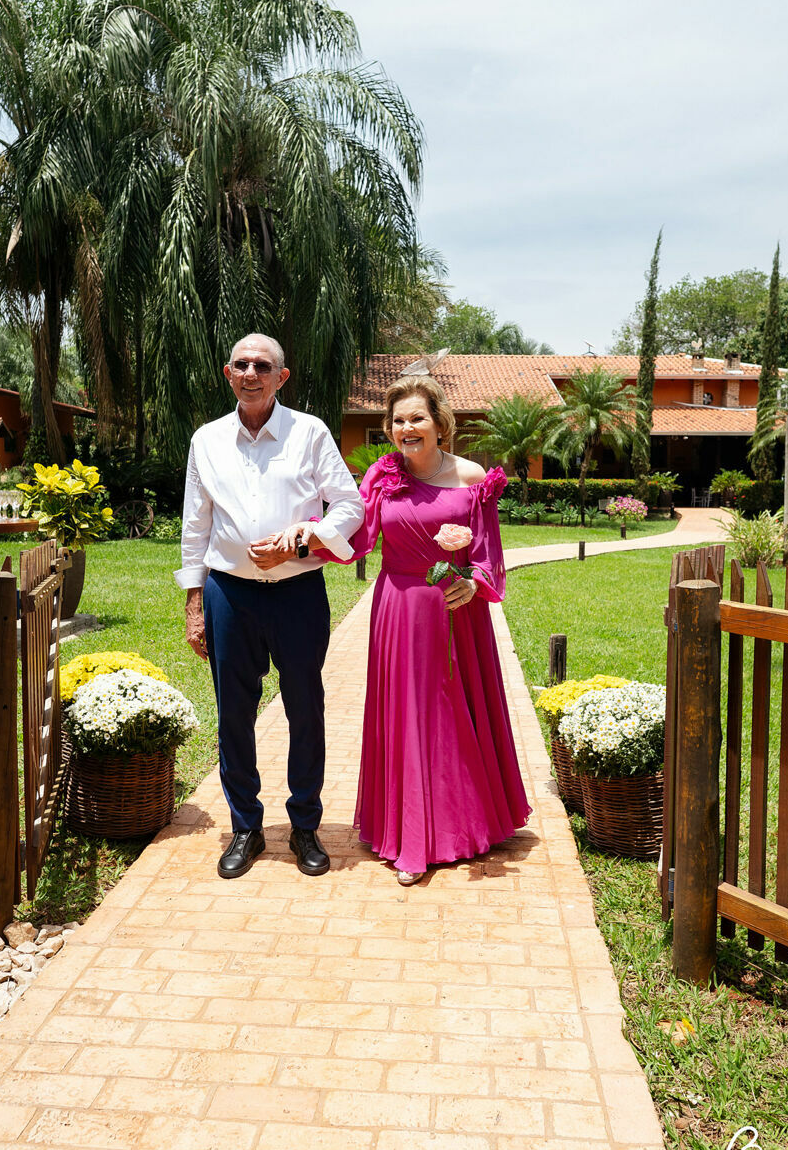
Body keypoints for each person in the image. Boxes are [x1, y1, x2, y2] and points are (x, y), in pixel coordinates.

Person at [277, 374, 530, 884]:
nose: (406, 428)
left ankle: (469, 820)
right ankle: (413, 836)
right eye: (397, 420)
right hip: (399, 609)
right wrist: (305, 539)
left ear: (439, 422)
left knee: (455, 713)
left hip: (459, 610)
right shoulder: (380, 476)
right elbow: (358, 535)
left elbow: (488, 553)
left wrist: (474, 582)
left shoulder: (470, 476)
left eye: (417, 418)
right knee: (411, 714)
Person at [176, 334, 364, 879]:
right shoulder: (207, 440)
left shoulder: (309, 432)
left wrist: (302, 538)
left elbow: (348, 504)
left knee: (305, 707)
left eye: (264, 365)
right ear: (227, 373)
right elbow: (195, 525)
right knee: (233, 712)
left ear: (282, 377)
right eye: (242, 364)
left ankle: (305, 825)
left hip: (298, 593)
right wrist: (195, 603)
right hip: (229, 594)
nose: (252, 372)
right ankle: (245, 827)